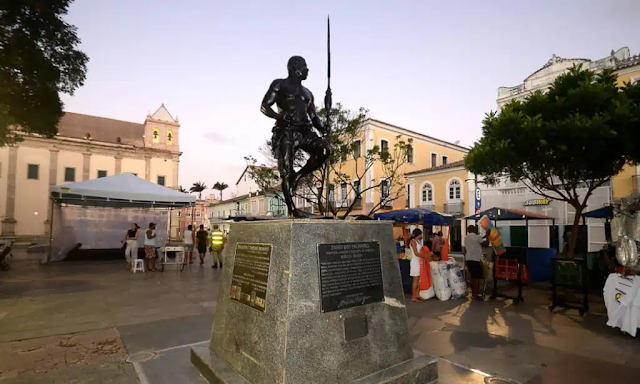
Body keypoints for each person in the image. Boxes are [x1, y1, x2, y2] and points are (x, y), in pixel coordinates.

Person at [260, 56, 331, 217]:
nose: (307, 70)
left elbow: (314, 117)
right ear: (296, 68)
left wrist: (324, 127)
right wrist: (279, 117)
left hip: (305, 131)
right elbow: (264, 106)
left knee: (325, 150)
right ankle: (292, 209)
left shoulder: (308, 93)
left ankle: (297, 177)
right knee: (286, 168)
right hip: (287, 130)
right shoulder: (280, 84)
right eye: (305, 67)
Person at [464, 225, 486, 300]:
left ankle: (473, 293)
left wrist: (484, 236)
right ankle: (476, 294)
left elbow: (478, 240)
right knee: (477, 277)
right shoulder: (477, 237)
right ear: (474, 229)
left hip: (468, 259)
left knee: (472, 276)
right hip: (475, 260)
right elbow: (485, 244)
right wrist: (488, 236)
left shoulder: (466, 237)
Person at [407, 228, 429, 303]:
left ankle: (417, 294)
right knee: (415, 281)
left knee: (419, 280)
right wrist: (425, 257)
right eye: (420, 234)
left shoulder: (418, 242)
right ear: (418, 235)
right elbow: (416, 253)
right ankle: (413, 297)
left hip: (419, 262)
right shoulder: (413, 242)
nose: (421, 236)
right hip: (415, 262)